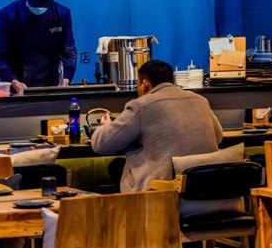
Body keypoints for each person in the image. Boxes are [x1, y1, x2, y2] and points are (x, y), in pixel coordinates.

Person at [91, 59, 223, 192]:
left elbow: (101, 145)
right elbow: (219, 137)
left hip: (163, 191)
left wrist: (105, 126)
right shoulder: (200, 100)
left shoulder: (140, 106)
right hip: (207, 189)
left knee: (116, 166)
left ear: (144, 84)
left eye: (137, 84)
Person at [0, 0, 77, 94]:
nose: (39, 8)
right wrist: (14, 82)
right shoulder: (7, 15)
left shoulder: (62, 14)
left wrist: (65, 80)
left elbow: (69, 52)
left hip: (53, 87)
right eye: (36, 3)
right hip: (18, 87)